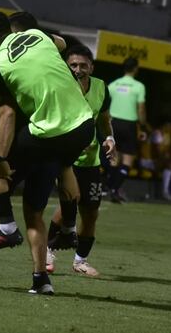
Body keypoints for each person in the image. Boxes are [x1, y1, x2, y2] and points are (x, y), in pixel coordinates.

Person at [0, 11, 94, 295]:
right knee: (34, 210)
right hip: (82, 128)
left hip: (42, 134)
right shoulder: (40, 38)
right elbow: (61, 43)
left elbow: (6, 113)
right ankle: (41, 277)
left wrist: (1, 158)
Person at [47, 45, 116, 278]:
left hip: (91, 159)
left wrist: (109, 138)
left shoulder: (100, 88)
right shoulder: (60, 86)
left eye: (83, 65)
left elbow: (104, 119)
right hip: (67, 157)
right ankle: (47, 250)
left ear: (91, 67)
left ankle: (80, 261)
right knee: (70, 201)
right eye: (73, 65)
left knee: (91, 212)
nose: (78, 69)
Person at [107, 57, 146, 203]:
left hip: (114, 122)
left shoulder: (113, 84)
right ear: (135, 68)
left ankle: (109, 187)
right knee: (128, 159)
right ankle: (115, 189)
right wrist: (142, 126)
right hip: (129, 124)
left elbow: (104, 102)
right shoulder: (138, 86)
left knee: (113, 158)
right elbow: (141, 108)